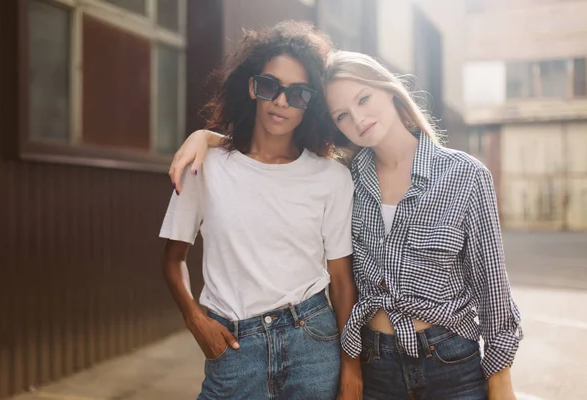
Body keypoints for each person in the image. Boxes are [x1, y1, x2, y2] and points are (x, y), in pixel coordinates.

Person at [169, 49, 523, 400]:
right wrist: (207, 137)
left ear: (390, 89)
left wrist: (500, 379)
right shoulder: (349, 176)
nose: (358, 118)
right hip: (377, 364)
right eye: (342, 115)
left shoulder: (465, 175)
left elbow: (492, 288)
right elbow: (268, 157)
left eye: (364, 99)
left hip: (451, 362)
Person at [159, 22, 362, 400]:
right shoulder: (205, 166)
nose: (281, 102)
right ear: (251, 87)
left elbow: (341, 282)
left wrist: (352, 367)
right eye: (270, 86)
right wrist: (194, 320)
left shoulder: (332, 178)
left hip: (313, 344)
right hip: (233, 348)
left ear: (312, 103)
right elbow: (173, 259)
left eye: (299, 93)